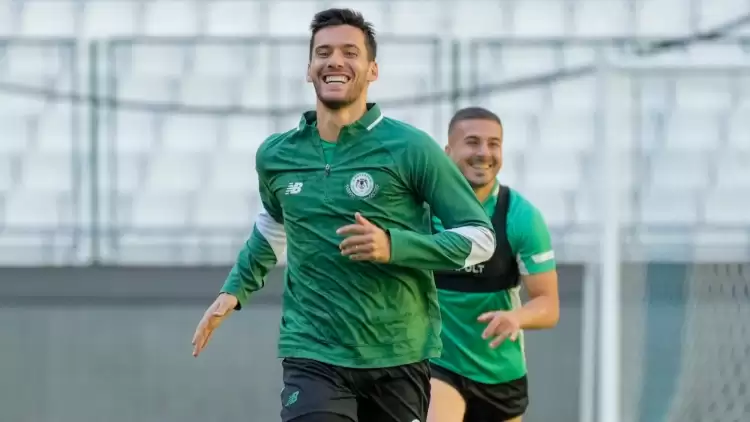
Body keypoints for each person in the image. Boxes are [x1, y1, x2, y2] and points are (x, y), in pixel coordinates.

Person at [191, 9, 496, 422]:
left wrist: (394, 246)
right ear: (309, 69)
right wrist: (234, 290)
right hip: (313, 351)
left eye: (349, 52)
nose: (334, 61)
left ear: (372, 70)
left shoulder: (412, 148)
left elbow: (480, 238)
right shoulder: (277, 155)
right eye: (323, 53)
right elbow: (275, 224)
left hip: (398, 353)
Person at [426, 107, 560, 422]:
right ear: (448, 152)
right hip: (438, 363)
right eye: (472, 142)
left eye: (494, 144)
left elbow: (548, 305)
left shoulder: (521, 217)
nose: (484, 153)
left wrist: (516, 317)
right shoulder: (420, 209)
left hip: (500, 373)